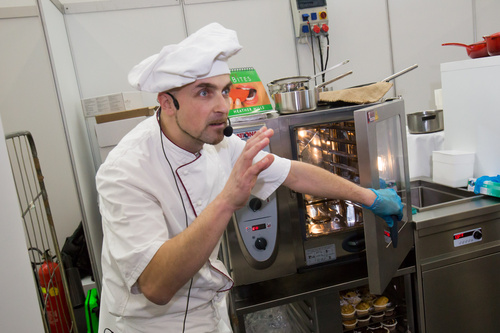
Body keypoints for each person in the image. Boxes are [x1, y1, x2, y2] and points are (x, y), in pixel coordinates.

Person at [96, 22, 403, 333]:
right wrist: (228, 199)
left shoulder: (219, 143)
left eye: (225, 91)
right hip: (149, 326)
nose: (223, 107)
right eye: (204, 92)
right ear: (167, 102)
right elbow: (157, 285)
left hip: (207, 315)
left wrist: (370, 198)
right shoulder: (125, 171)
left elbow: (293, 173)